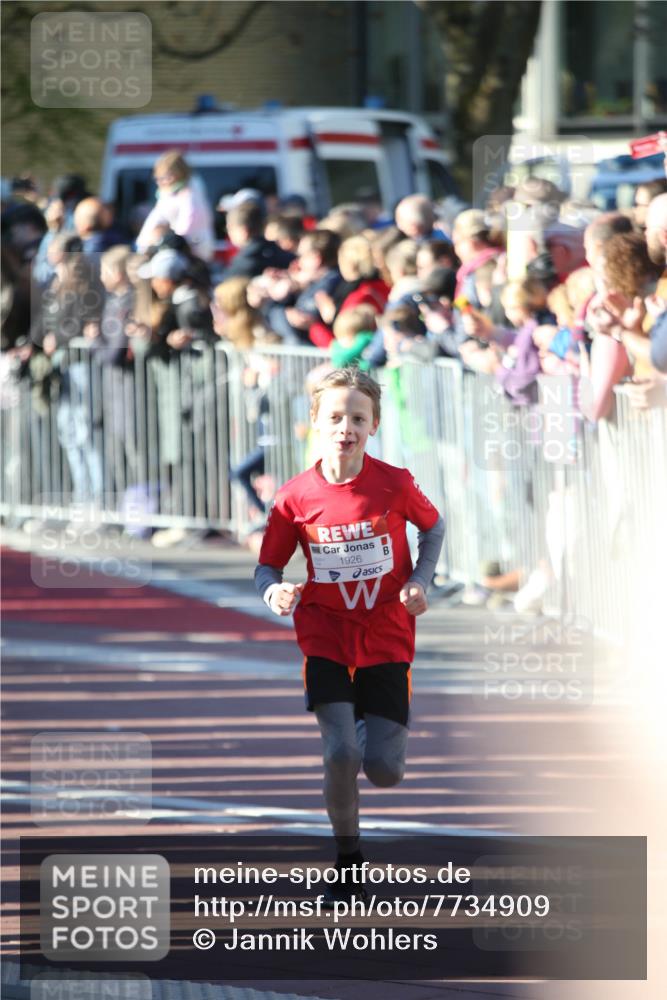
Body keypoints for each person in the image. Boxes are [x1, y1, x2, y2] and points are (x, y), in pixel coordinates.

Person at [254, 367, 444, 901]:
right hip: (325, 633)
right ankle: (348, 858)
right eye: (335, 417)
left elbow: (433, 526)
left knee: (383, 771)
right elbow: (267, 567)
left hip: (386, 633)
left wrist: (419, 581)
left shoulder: (395, 483)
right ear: (315, 421)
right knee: (340, 756)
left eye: (357, 418)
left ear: (374, 425)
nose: (346, 428)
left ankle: (371, 725)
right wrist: (276, 594)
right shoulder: (294, 498)